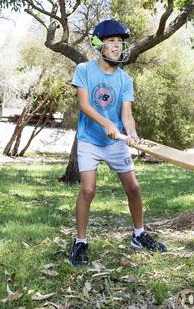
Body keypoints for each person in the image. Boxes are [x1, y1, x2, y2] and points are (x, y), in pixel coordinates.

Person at [69, 19, 167, 267]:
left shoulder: (125, 79)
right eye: (111, 41)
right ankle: (80, 242)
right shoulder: (84, 70)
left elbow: (126, 115)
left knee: (133, 188)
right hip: (90, 140)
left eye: (119, 42)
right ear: (98, 45)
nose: (116, 46)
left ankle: (138, 235)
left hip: (115, 143)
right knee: (88, 190)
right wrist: (106, 123)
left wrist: (131, 133)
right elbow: (84, 104)